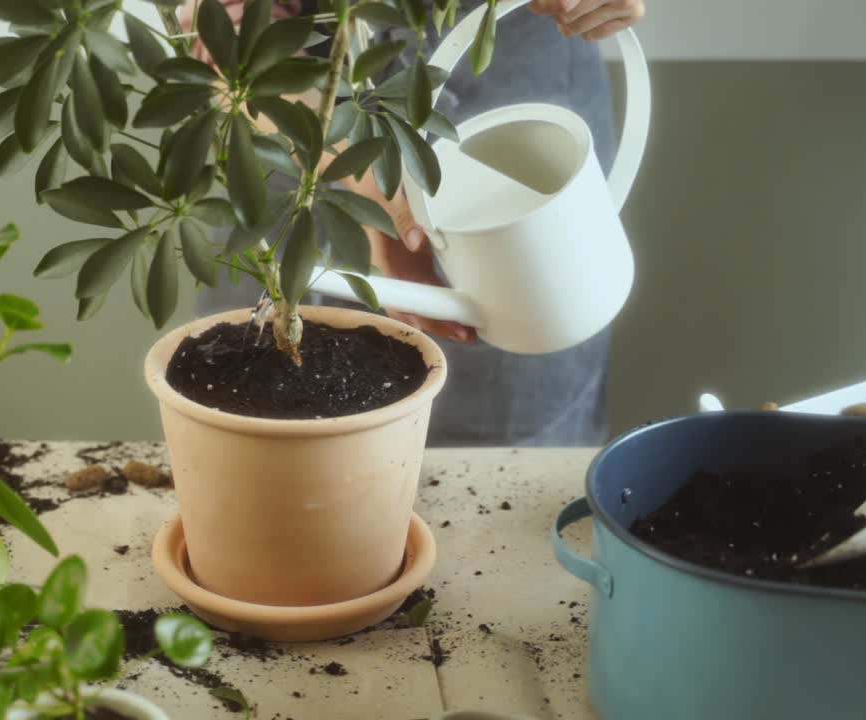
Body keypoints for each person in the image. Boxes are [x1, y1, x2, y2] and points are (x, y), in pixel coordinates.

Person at [188, 0, 647, 447]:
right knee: (264, 416)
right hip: (296, 114)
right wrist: (367, 180)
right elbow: (226, 31)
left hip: (515, 71)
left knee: (513, 426)